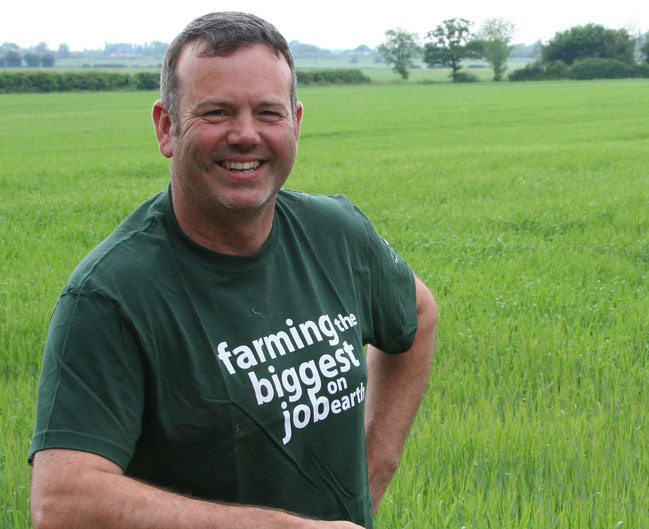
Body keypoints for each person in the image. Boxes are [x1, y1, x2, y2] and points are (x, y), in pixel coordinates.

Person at [28, 12, 436, 529]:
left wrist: (375, 466)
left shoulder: (335, 234)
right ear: (166, 127)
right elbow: (61, 502)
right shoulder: (112, 294)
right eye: (216, 112)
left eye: (268, 113)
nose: (246, 135)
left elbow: (417, 314)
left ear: (296, 122)